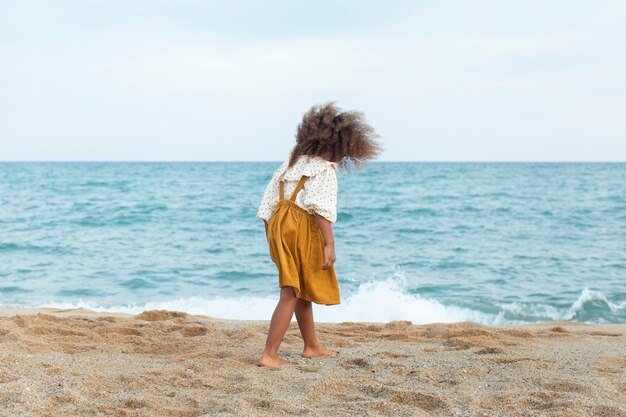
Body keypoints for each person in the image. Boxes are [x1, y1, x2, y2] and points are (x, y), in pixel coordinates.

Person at [256, 102, 382, 366]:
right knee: (290, 291)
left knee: (301, 286)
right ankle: (269, 354)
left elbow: (267, 206)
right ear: (340, 146)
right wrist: (329, 244)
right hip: (301, 226)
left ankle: (311, 345)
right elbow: (320, 209)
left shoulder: (290, 162)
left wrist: (272, 242)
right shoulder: (324, 170)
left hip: (278, 225)